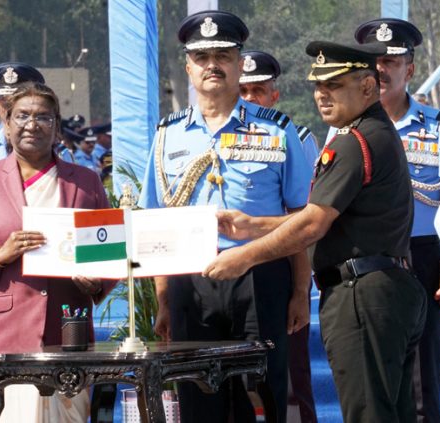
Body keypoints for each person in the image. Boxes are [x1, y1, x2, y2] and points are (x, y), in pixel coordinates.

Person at [203, 40, 427, 422]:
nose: (322, 95)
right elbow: (327, 215)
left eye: (335, 85)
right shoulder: (374, 133)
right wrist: (254, 225)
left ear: (368, 87)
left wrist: (242, 257)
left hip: (362, 296)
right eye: (318, 86)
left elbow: (312, 225)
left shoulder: (353, 142)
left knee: (369, 414)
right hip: (385, 289)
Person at [138, 11, 312, 422]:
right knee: (198, 399)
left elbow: (300, 218)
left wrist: (301, 291)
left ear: (238, 63)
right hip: (191, 283)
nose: (212, 64)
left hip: (261, 276)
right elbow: (156, 219)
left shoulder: (277, 130)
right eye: (202, 57)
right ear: (188, 67)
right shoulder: (167, 135)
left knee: (264, 396)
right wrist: (164, 299)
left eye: (223, 55)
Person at [0, 82, 113, 422]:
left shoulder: (86, 182)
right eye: (22, 116)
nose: (32, 124)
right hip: (4, 333)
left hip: (67, 331)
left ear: (57, 126)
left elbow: (106, 254)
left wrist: (96, 283)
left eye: (43, 117)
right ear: (7, 124)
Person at [354, 19, 440, 423]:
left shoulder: (437, 124)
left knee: (423, 380)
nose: (382, 68)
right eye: (374, 60)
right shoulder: (347, 127)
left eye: (392, 60)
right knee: (371, 375)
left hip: (423, 255)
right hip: (369, 260)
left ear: (409, 69)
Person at [238, 49, 318, 423]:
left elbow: (301, 218)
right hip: (227, 275)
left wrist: (301, 288)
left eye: (258, 90)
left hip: (279, 269)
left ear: (275, 95)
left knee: (289, 377)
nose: (250, 98)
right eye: (244, 91)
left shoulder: (294, 137)